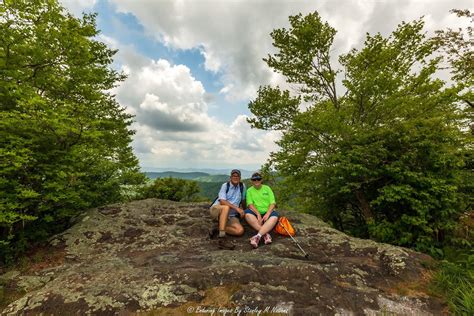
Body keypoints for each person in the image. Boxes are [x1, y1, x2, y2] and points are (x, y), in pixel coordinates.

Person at [209, 169, 246, 250]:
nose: (235, 177)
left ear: (240, 178)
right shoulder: (225, 185)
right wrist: (237, 208)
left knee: (239, 231)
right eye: (233, 176)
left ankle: (218, 228)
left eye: (237, 176)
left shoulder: (242, 186)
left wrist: (245, 211)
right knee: (226, 207)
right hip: (217, 210)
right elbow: (222, 201)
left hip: (231, 215)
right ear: (230, 177)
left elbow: (243, 200)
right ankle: (222, 239)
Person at [245, 172, 279, 248]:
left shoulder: (267, 188)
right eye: (254, 180)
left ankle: (258, 236)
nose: (256, 181)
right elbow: (250, 204)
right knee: (247, 215)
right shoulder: (249, 190)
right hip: (255, 211)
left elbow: (272, 203)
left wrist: (268, 213)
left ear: (261, 180)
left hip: (268, 211)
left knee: (274, 218)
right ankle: (266, 234)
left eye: (258, 179)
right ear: (252, 181)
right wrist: (258, 214)